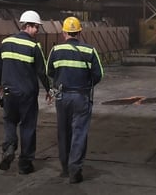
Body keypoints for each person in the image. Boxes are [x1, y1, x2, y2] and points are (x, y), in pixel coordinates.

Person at [47, 16, 104, 184]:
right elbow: (98, 75)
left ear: (64, 33)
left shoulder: (55, 51)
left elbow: (50, 72)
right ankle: (75, 170)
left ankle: (65, 168)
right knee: (79, 133)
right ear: (79, 32)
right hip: (81, 97)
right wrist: (85, 84)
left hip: (62, 96)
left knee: (63, 132)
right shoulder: (90, 50)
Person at [0, 10, 52, 175]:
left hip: (8, 92)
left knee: (9, 122)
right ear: (27, 26)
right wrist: (49, 90)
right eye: (36, 27)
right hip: (27, 94)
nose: (38, 31)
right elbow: (42, 71)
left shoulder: (5, 42)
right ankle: (25, 164)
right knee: (27, 127)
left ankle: (9, 148)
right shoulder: (34, 46)